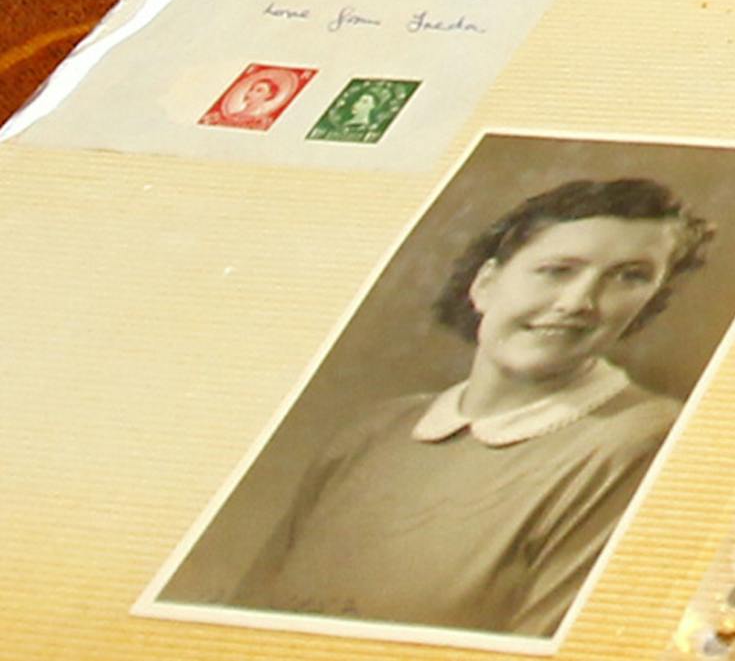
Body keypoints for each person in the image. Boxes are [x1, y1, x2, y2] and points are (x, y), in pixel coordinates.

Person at [219, 176, 708, 641]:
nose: (579, 302)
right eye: (557, 270)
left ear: (647, 303)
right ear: (485, 285)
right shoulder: (373, 431)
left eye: (629, 278)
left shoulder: (643, 440)